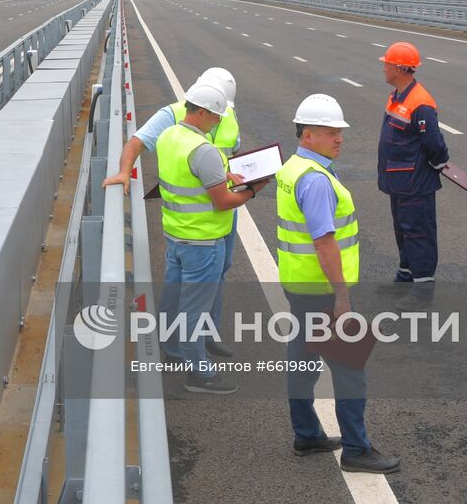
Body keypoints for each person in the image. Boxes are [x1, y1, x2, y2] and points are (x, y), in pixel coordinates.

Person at [278, 93, 399, 473]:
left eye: (340, 132)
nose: (340, 138)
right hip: (322, 290)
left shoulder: (293, 168)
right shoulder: (315, 181)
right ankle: (357, 450)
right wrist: (342, 296)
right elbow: (324, 241)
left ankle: (307, 434)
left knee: (301, 359)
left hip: (298, 284)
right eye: (332, 132)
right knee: (349, 368)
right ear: (308, 135)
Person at [104, 68, 241, 356]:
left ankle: (206, 334)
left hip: (222, 207)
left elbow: (232, 155)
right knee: (184, 283)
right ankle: (177, 346)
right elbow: (136, 143)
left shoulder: (226, 117)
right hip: (194, 217)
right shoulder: (172, 115)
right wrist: (123, 172)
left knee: (220, 272)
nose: (220, 117)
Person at [151, 82, 263, 394]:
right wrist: (254, 189)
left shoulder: (169, 136)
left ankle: (173, 352)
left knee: (173, 299)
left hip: (176, 234)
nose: (218, 122)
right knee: (195, 308)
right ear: (201, 113)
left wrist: (221, 174)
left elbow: (187, 177)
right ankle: (200, 372)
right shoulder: (205, 151)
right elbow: (224, 202)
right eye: (215, 117)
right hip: (204, 241)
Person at [377, 41, 449, 301]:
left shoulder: (420, 103)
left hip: (415, 183)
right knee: (403, 231)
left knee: (419, 233)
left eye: (386, 64)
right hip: (399, 181)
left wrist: (440, 165)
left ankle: (422, 290)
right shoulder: (396, 96)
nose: (383, 68)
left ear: (398, 68)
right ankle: (405, 277)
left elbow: (435, 144)